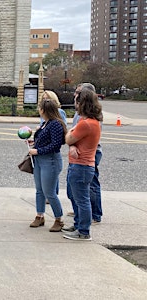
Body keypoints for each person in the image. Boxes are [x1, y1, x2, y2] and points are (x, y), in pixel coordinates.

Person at [63, 88, 102, 241]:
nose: (75, 103)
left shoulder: (85, 124)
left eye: (76, 100)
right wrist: (72, 144)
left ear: (82, 103)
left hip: (81, 166)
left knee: (82, 200)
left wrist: (71, 140)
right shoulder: (91, 122)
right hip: (83, 165)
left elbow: (67, 138)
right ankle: (79, 224)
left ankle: (83, 231)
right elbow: (72, 140)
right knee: (76, 197)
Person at [28, 97, 67, 232]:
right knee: (39, 190)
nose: (38, 110)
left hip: (50, 161)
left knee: (49, 192)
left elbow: (56, 145)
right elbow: (45, 140)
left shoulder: (55, 124)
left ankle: (58, 219)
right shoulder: (46, 123)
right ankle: (40, 215)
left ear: (44, 110)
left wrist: (38, 150)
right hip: (39, 160)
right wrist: (33, 143)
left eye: (39, 108)